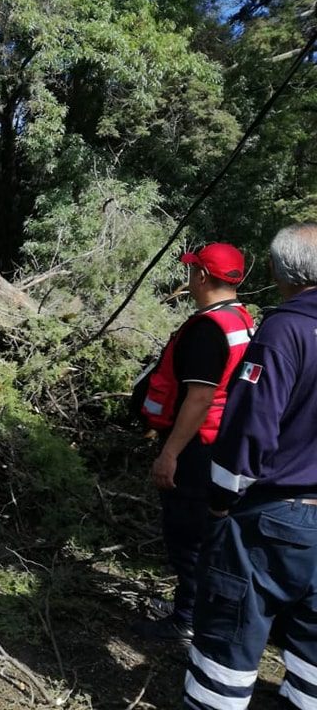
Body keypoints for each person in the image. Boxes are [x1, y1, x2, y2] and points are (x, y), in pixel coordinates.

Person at [184, 223, 317, 709]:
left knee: (230, 636)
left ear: (283, 271)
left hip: (272, 515)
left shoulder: (285, 330)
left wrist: (219, 504)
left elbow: (251, 432)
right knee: (311, 652)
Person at [132, 243, 254, 643]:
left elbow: (199, 398)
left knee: (187, 536)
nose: (189, 277)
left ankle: (186, 621)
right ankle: (192, 608)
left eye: (192, 271)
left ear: (201, 275)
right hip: (221, 443)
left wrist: (169, 454)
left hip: (197, 447)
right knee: (204, 535)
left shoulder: (207, 330)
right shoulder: (240, 319)